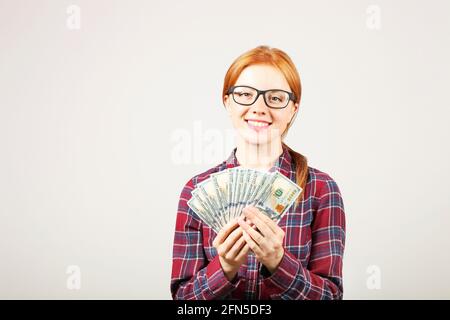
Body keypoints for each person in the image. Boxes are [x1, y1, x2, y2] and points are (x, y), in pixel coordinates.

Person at [170, 45, 346, 300]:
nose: (259, 107)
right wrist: (225, 269)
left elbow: (331, 297)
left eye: (275, 98)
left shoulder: (321, 189)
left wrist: (279, 262)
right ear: (227, 101)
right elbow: (184, 302)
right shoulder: (195, 191)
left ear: (293, 108)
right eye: (245, 94)